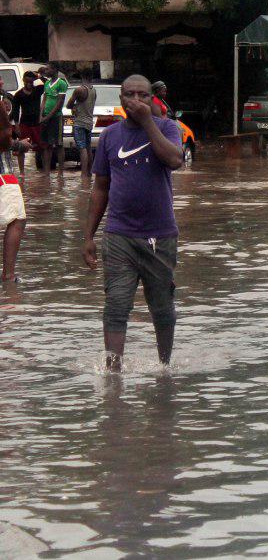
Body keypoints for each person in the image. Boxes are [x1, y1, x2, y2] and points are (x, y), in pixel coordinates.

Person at [82, 75, 184, 371]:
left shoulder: (166, 127)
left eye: (142, 95)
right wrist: (88, 236)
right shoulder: (110, 137)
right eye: (129, 95)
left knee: (162, 307)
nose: (136, 100)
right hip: (119, 236)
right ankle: (113, 374)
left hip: (160, 236)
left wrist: (148, 123)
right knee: (115, 306)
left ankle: (165, 369)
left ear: (152, 98)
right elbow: (101, 187)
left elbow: (175, 160)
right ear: (121, 100)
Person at [0, 96, 28, 281]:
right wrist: (19, 144)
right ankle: (8, 276)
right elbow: (3, 139)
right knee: (17, 218)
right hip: (2, 173)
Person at [37, 64, 68, 176]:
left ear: (55, 70)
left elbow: (59, 104)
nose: (46, 70)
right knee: (46, 145)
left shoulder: (61, 83)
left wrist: (47, 117)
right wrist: (41, 115)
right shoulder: (46, 83)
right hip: (45, 117)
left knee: (59, 144)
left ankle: (60, 172)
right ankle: (46, 172)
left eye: (48, 68)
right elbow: (44, 100)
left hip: (56, 117)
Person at [66, 71, 97, 181]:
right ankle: (89, 173)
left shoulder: (79, 90)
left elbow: (68, 105)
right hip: (89, 122)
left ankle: (83, 174)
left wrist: (74, 106)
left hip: (79, 123)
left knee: (82, 148)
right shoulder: (93, 90)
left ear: (83, 77)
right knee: (88, 148)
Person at [11, 71, 42, 174]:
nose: (29, 84)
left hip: (37, 124)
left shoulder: (38, 90)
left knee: (42, 148)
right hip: (24, 124)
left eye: (31, 82)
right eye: (27, 82)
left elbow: (46, 83)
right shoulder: (18, 94)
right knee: (21, 149)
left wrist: (38, 76)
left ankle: (45, 173)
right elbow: (15, 111)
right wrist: (16, 126)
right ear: (24, 81)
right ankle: (22, 173)